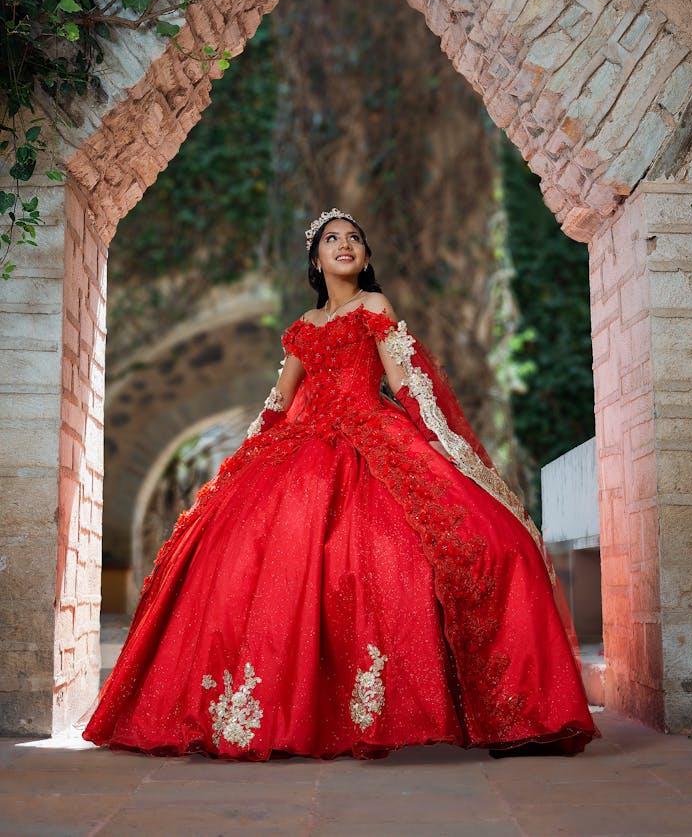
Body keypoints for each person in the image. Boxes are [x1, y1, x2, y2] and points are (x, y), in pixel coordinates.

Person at [83, 209, 599, 759]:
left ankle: (514, 716)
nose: (345, 244)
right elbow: (279, 402)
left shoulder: (373, 307)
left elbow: (405, 381)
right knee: (240, 554)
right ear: (316, 259)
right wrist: (244, 461)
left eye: (355, 238)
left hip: (372, 436)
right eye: (333, 239)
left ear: (366, 257)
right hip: (301, 448)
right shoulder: (304, 325)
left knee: (486, 545)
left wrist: (442, 444)